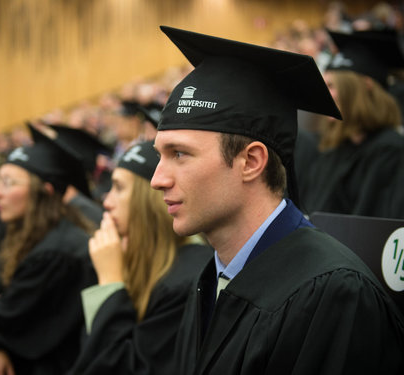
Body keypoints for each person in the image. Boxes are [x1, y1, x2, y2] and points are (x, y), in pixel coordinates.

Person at [150, 26, 404, 374]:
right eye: (159, 155)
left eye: (179, 154)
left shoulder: (334, 296)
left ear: (251, 162)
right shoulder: (210, 279)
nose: (156, 179)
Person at [0, 124, 98, 375]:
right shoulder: (36, 234)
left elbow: (4, 320)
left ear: (44, 193)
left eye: (8, 183)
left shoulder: (57, 253)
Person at [68, 140, 212, 375]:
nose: (106, 202)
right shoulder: (137, 259)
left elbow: (119, 368)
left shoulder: (190, 278)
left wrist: (110, 283)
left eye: (119, 188)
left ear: (149, 200)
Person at [300, 29, 404, 218]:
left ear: (364, 87)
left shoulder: (390, 152)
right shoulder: (333, 149)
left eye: (332, 86)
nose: (325, 95)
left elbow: (369, 230)